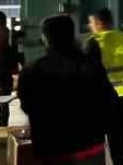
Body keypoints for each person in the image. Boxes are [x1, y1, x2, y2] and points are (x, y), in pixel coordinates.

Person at [18, 15, 116, 165]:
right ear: (72, 36)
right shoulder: (90, 67)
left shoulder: (31, 71)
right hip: (90, 149)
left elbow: (27, 106)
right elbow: (110, 103)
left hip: (53, 152)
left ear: (45, 38)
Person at [85, 8, 123, 165]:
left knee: (96, 138)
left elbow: (90, 73)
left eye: (91, 23)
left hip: (104, 96)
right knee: (117, 137)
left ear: (99, 23)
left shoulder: (95, 42)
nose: (90, 26)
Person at [0, 11, 18, 127]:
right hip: (6, 74)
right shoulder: (11, 35)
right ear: (5, 20)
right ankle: (3, 127)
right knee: (4, 103)